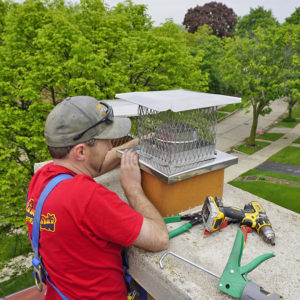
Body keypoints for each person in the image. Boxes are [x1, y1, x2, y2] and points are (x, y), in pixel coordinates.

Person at [26, 96, 169, 299]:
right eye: (106, 141)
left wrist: (134, 145)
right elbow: (159, 238)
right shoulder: (89, 198)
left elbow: (91, 166)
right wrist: (132, 188)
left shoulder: (42, 180)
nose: (111, 146)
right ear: (81, 151)